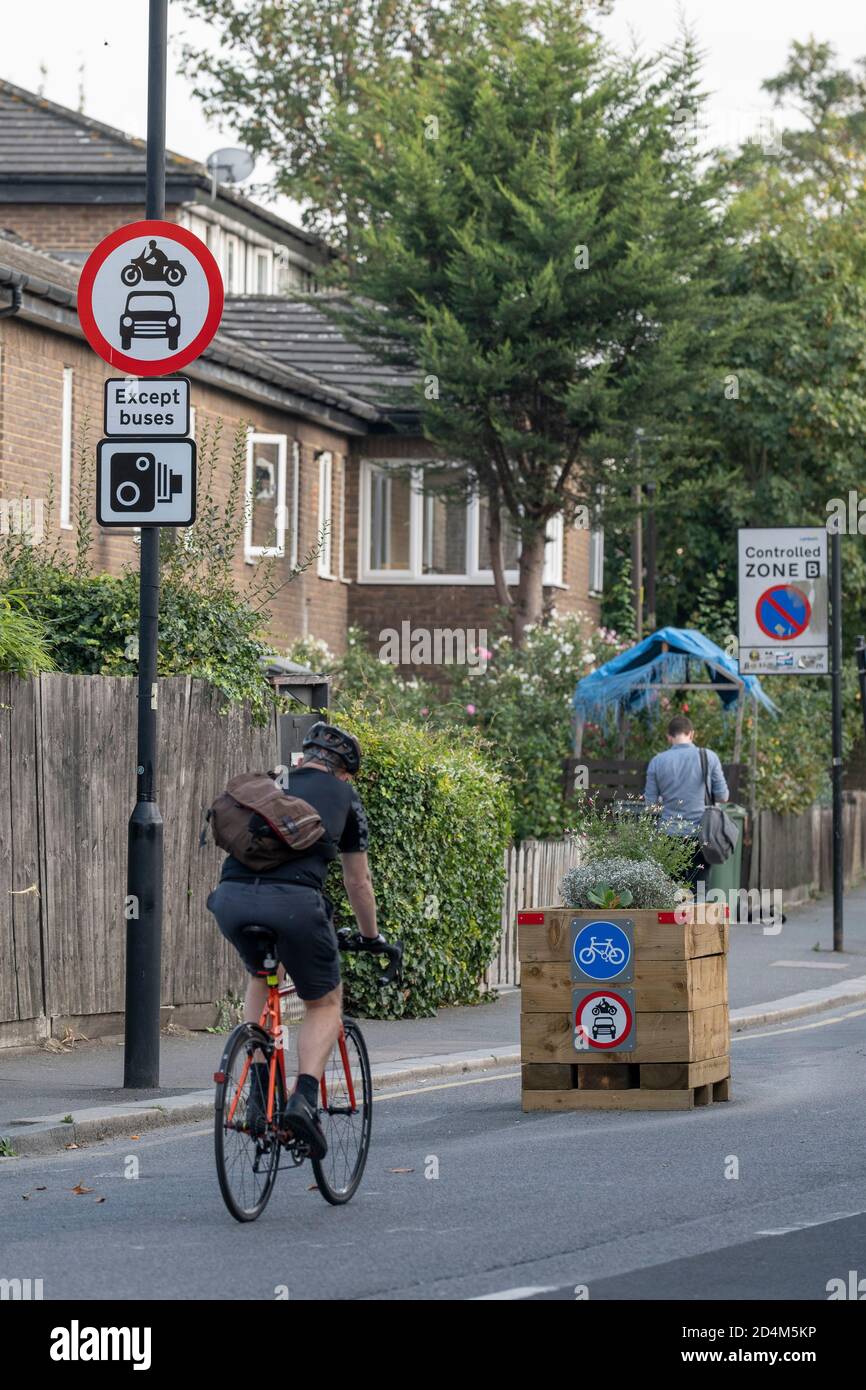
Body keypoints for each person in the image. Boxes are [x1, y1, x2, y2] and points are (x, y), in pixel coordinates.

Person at [207, 723, 383, 1159]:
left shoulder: (267, 785)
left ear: (304, 756)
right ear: (345, 772)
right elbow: (357, 882)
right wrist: (370, 936)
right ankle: (303, 1098)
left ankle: (257, 1093)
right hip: (295, 906)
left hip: (230, 900)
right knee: (324, 1002)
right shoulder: (345, 797)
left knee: (262, 974)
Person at [643, 714, 729, 896]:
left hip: (669, 836)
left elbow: (650, 806)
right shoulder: (709, 757)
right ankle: (696, 923)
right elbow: (723, 796)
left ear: (669, 737)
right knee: (699, 890)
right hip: (702, 835)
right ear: (691, 734)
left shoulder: (657, 761)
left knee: (671, 893)